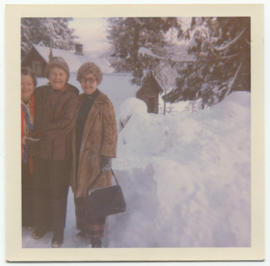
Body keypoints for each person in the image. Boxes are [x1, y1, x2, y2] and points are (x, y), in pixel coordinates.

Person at [31, 57, 79, 248]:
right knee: (41, 189)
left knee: (58, 194)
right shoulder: (40, 93)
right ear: (48, 76)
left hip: (61, 154)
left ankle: (58, 233)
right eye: (53, 74)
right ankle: (43, 224)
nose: (57, 77)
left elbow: (66, 124)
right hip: (41, 151)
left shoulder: (72, 96)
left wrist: (42, 131)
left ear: (66, 76)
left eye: (61, 74)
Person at [71, 62, 118, 248]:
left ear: (97, 81)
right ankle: (83, 229)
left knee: (96, 196)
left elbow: (112, 131)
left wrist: (107, 156)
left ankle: (96, 237)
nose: (87, 84)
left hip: (96, 158)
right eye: (84, 80)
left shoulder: (104, 102)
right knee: (80, 193)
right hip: (78, 156)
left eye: (91, 80)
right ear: (80, 81)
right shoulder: (79, 100)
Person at [21, 67, 37, 227]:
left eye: (29, 84)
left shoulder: (37, 103)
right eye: (21, 83)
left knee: (31, 186)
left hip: (33, 154)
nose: (25, 87)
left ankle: (29, 219)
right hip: (15, 154)